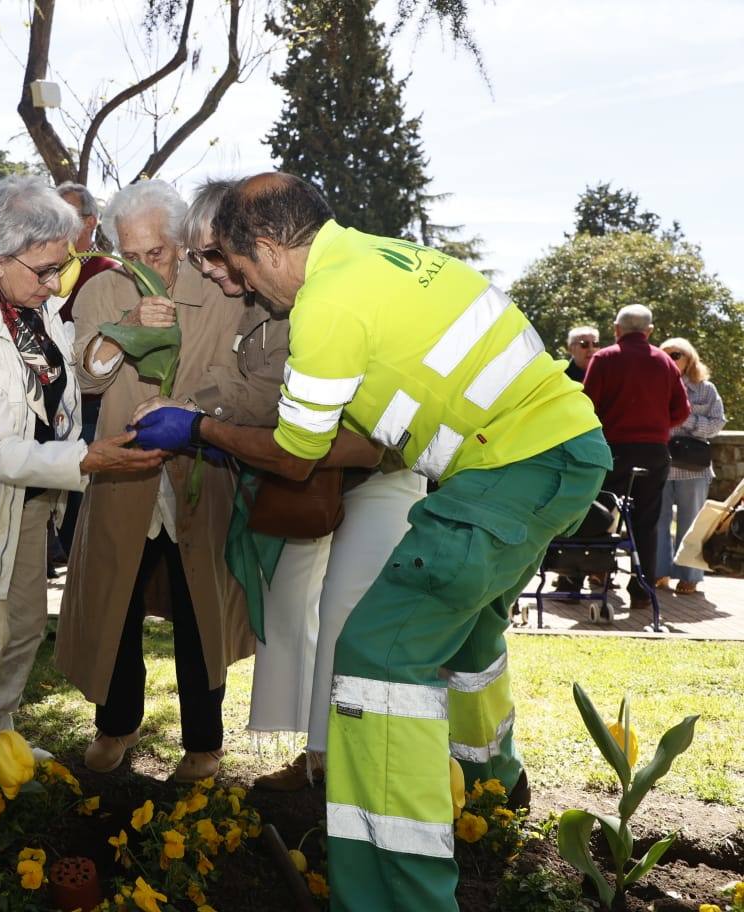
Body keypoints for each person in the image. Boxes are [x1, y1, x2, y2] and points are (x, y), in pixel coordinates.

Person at [133, 172, 611, 912]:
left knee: (377, 660)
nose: (245, 288)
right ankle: (491, 785)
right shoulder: (387, 259)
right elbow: (365, 429)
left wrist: (197, 429)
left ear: (267, 246)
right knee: (466, 630)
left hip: (512, 468)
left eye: (239, 266)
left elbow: (296, 456)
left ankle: (397, 890)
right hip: (557, 453)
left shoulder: (327, 305)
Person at [0, 175, 163, 765]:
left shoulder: (25, 303)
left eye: (60, 270)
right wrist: (89, 458)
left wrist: (121, 335)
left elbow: (66, 373)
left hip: (32, 493)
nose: (53, 286)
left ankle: (2, 737)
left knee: (21, 626)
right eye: (44, 270)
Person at [177, 180, 425, 791]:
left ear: (255, 248)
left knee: (343, 606)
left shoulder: (313, 298)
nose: (212, 271)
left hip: (374, 472)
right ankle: (316, 753)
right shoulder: (254, 300)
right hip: (316, 479)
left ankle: (339, 764)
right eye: (202, 260)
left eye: (218, 256)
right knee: (288, 607)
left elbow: (298, 426)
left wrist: (202, 421)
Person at [56, 179, 264, 784]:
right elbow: (90, 379)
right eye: (131, 253)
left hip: (202, 473)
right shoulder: (102, 288)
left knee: (202, 611)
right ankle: (114, 726)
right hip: (125, 476)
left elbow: (248, 376)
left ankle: (204, 743)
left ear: (180, 242)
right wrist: (125, 325)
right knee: (113, 607)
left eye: (157, 253)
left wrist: (191, 416)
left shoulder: (224, 289)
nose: (145, 265)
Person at [582, 304, 690, 610]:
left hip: (613, 448)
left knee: (601, 513)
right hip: (654, 451)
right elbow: (682, 410)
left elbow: (587, 405)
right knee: (648, 520)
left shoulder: (604, 358)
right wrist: (656, 425)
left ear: (616, 330)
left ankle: (594, 573)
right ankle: (642, 589)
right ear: (649, 331)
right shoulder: (664, 361)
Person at [52, 182, 120, 567]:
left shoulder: (107, 273)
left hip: (93, 407)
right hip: (54, 407)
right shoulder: (46, 271)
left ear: (91, 222)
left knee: (85, 512)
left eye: (67, 216)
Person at [654, 338, 725, 595]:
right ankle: (658, 572)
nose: (670, 359)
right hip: (661, 463)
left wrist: (689, 420)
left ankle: (690, 577)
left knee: (692, 522)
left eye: (676, 354)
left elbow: (717, 424)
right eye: (664, 355)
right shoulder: (653, 387)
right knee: (657, 521)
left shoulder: (706, 389)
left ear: (689, 358)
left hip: (693, 468)